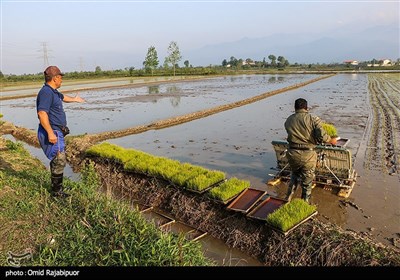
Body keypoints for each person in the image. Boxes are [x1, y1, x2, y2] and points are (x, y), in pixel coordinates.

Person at [36, 66, 85, 198]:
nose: (62, 80)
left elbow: (63, 97)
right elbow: (42, 113)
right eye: (60, 78)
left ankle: (57, 187)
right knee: (60, 159)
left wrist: (74, 99)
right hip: (53, 132)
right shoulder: (46, 92)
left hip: (58, 131)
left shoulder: (54, 92)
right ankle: (57, 192)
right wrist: (50, 133)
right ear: (55, 78)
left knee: (57, 159)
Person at [284, 98, 337, 203]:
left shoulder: (289, 120)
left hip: (292, 154)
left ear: (295, 108)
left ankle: (288, 198)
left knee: (295, 175)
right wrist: (331, 140)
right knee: (307, 182)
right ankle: (304, 203)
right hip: (308, 155)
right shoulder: (313, 118)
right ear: (306, 108)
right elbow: (321, 136)